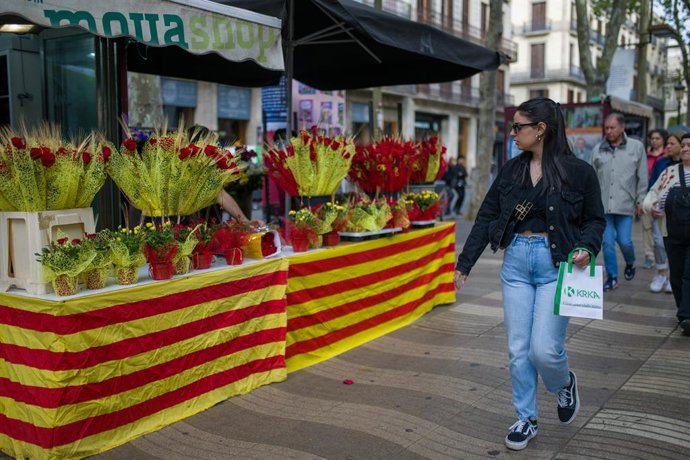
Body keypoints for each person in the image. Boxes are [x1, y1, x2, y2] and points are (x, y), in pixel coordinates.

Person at [454, 98, 606, 450]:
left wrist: (586, 247)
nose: (513, 133)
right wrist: (465, 264)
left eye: (519, 127)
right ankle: (527, 417)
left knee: (544, 350)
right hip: (516, 264)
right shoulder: (511, 170)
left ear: (541, 130)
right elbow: (488, 215)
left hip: (557, 266)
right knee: (518, 350)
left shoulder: (579, 172)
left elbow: (596, 220)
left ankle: (563, 383)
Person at [590, 113, 647, 291]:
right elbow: (589, 177)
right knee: (607, 243)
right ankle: (612, 277)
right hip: (603, 206)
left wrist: (641, 200)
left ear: (622, 127)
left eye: (612, 127)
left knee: (625, 241)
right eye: (606, 128)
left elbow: (642, 177)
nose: (608, 131)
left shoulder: (636, 147)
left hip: (625, 204)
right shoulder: (598, 149)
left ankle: (630, 262)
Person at [643, 133, 690, 336]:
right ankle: (683, 312)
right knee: (677, 276)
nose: (687, 148)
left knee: (689, 275)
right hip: (672, 232)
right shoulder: (670, 172)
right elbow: (652, 195)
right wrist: (650, 208)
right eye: (685, 145)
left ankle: (687, 316)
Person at [641, 129, 668, 272]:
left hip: (661, 198)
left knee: (660, 233)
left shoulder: (667, 157)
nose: (654, 141)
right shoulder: (646, 156)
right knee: (646, 228)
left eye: (657, 138)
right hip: (647, 195)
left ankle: (663, 258)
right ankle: (649, 256)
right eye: (652, 138)